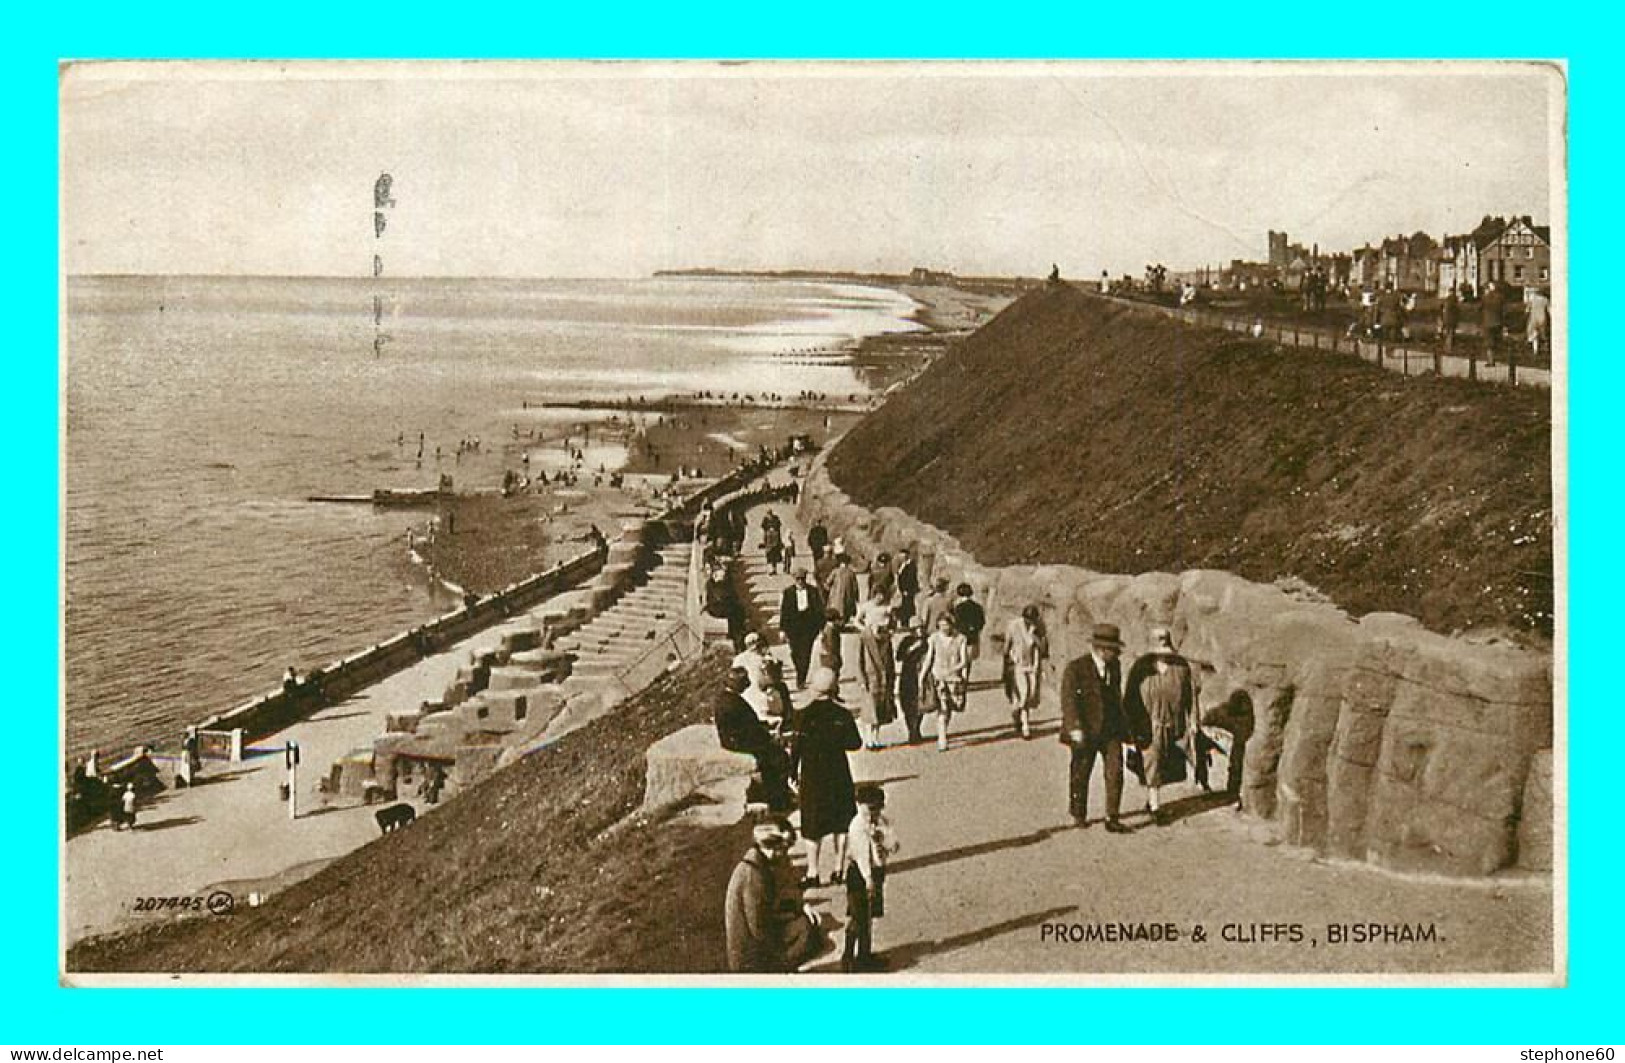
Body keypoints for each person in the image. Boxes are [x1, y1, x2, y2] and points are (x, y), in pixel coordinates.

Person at [792, 668, 862, 887]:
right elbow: (855, 743)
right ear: (834, 688)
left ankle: (813, 872)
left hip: (812, 776)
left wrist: (792, 771)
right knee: (841, 822)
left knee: (812, 824)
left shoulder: (802, 715)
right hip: (838, 774)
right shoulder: (842, 715)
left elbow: (796, 748)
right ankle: (838, 869)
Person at [725, 814, 821, 973]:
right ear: (770, 847)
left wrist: (801, 906)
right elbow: (758, 928)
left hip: (758, 941)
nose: (785, 852)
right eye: (783, 847)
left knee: (807, 926)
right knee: (807, 933)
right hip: (750, 956)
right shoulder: (753, 875)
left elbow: (786, 890)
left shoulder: (761, 864)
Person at [1122, 627, 1198, 825]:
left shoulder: (1181, 668)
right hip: (1148, 723)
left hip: (1174, 724)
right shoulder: (1140, 668)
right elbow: (1129, 699)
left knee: (1165, 764)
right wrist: (1130, 728)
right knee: (1152, 761)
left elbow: (1191, 697)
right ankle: (1156, 807)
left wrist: (1193, 721)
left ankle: (1151, 799)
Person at [1060, 623, 1130, 833]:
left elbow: (1117, 698)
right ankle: (1079, 813)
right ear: (1101, 649)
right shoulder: (1076, 668)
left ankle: (1112, 817)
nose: (1117, 654)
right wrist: (1074, 728)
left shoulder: (1114, 666)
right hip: (1085, 730)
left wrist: (1125, 727)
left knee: (1115, 771)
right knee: (1081, 772)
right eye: (1113, 650)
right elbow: (1068, 701)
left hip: (1110, 729)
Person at [714, 666, 792, 811]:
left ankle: (779, 796)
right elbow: (749, 731)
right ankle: (779, 801)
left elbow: (747, 725)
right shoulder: (733, 704)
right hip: (741, 744)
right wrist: (769, 737)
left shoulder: (726, 699)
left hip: (737, 741)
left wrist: (765, 725)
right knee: (779, 758)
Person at [843, 783, 899, 973]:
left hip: (876, 871)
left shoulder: (881, 822)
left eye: (878, 807)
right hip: (859, 874)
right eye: (870, 808)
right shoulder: (857, 826)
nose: (874, 812)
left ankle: (864, 955)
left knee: (868, 916)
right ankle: (849, 957)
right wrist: (868, 879)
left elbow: (894, 845)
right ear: (860, 805)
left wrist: (881, 838)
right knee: (858, 916)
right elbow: (861, 856)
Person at [919, 614, 970, 752]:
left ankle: (944, 731)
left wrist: (958, 673)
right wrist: (922, 676)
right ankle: (942, 738)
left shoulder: (961, 639)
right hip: (938, 678)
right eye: (941, 626)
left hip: (954, 679)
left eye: (946, 625)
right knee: (942, 708)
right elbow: (929, 658)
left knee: (949, 709)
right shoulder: (934, 639)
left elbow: (964, 660)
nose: (944, 628)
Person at [856, 592, 897, 749]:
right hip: (870, 678)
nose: (881, 630)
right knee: (869, 711)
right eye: (878, 627)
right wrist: (861, 680)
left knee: (879, 710)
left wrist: (892, 678)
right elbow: (858, 661)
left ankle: (875, 738)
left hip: (883, 679)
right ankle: (867, 739)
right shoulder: (864, 639)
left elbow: (890, 661)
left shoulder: (886, 641)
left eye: (883, 627)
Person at [1003, 605, 1048, 740]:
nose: (1030, 622)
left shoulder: (1039, 627)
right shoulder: (1013, 626)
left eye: (1032, 620)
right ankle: (1025, 727)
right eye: (1027, 620)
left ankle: (1017, 714)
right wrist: (1008, 661)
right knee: (1024, 693)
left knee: (1031, 695)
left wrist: (1034, 636)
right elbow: (1007, 646)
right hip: (1017, 664)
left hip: (1033, 665)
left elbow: (1043, 648)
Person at [779, 568, 825, 689]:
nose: (800, 581)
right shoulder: (788, 592)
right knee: (795, 653)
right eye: (798, 579)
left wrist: (821, 628)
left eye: (802, 579)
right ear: (794, 579)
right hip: (793, 628)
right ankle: (800, 671)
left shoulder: (813, 591)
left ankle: (801, 679)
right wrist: (782, 630)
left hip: (808, 628)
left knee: (806, 654)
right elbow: (784, 612)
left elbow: (819, 610)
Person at [893, 616, 930, 744]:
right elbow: (899, 657)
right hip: (908, 675)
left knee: (920, 702)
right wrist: (912, 648)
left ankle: (916, 729)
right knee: (907, 703)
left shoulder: (928, 641)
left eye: (921, 628)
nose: (919, 631)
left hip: (922, 675)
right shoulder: (907, 641)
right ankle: (911, 730)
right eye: (916, 628)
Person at [732, 632, 771, 719]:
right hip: (760, 699)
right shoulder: (761, 660)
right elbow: (765, 681)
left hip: (742, 697)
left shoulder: (738, 659)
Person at [951, 583, 986, 670]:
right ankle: (966, 676)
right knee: (969, 659)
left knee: (959, 658)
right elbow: (982, 622)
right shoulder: (977, 607)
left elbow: (956, 622)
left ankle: (961, 677)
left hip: (960, 635)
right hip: (973, 636)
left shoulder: (958, 608)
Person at [823, 553, 861, 625]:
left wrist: (830, 592)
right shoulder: (851, 573)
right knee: (845, 610)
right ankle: (842, 623)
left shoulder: (835, 571)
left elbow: (827, 583)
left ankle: (837, 624)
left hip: (835, 597)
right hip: (848, 597)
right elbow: (855, 587)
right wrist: (856, 597)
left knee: (836, 610)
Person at [1481, 281, 1506, 364]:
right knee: (1497, 341)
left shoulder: (1485, 297)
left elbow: (1480, 308)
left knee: (1489, 343)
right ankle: (1499, 358)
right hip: (1498, 322)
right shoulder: (1500, 297)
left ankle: (1490, 361)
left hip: (1488, 323)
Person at [893, 549, 919, 624]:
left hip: (907, 591)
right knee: (903, 607)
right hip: (903, 591)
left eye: (902, 556)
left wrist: (906, 590)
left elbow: (910, 579)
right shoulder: (903, 564)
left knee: (907, 608)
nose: (901, 557)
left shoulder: (911, 565)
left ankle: (906, 622)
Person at [1527, 286, 1551, 361]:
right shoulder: (1545, 300)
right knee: (1543, 334)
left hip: (1534, 318)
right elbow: (1550, 310)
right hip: (1542, 318)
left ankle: (1535, 350)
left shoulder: (1532, 300)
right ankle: (1546, 348)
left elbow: (1527, 310)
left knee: (1534, 335)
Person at [761, 510, 784, 575]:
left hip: (775, 539)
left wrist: (774, 528)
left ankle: (774, 569)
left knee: (775, 555)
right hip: (768, 539)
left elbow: (779, 525)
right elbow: (763, 526)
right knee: (769, 554)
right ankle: (771, 569)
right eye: (768, 515)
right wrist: (768, 529)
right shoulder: (765, 519)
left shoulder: (776, 518)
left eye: (770, 514)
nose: (769, 516)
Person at [1439, 286, 1460, 353]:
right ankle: (1449, 348)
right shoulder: (1454, 299)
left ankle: (1447, 347)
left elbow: (1443, 309)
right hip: (1451, 319)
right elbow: (1456, 309)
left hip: (1446, 318)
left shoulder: (1447, 299)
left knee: (1448, 333)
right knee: (1450, 334)